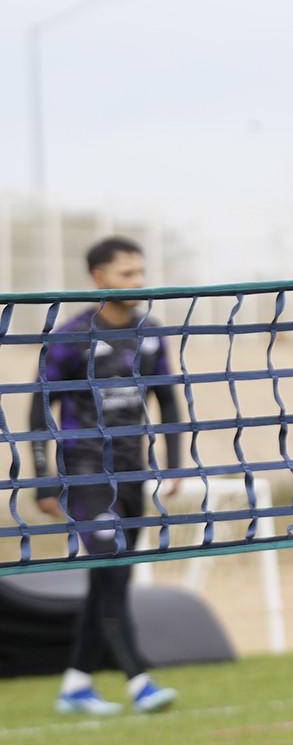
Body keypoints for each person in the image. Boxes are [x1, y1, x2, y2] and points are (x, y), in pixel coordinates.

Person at [30, 236, 181, 716]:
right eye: (127, 274)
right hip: (86, 475)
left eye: (140, 272)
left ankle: (75, 684)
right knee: (111, 568)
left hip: (133, 471)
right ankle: (139, 680)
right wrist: (44, 481)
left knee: (111, 578)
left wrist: (176, 461)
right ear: (99, 278)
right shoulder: (70, 338)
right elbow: (39, 407)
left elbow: (168, 399)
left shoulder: (150, 333)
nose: (138, 282)